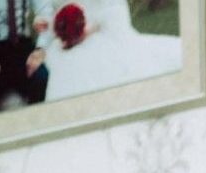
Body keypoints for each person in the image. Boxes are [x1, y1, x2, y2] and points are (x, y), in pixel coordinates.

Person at [42, 0, 181, 102]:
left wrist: (86, 30)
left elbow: (114, 14)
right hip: (68, 40)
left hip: (104, 31)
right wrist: (65, 30)